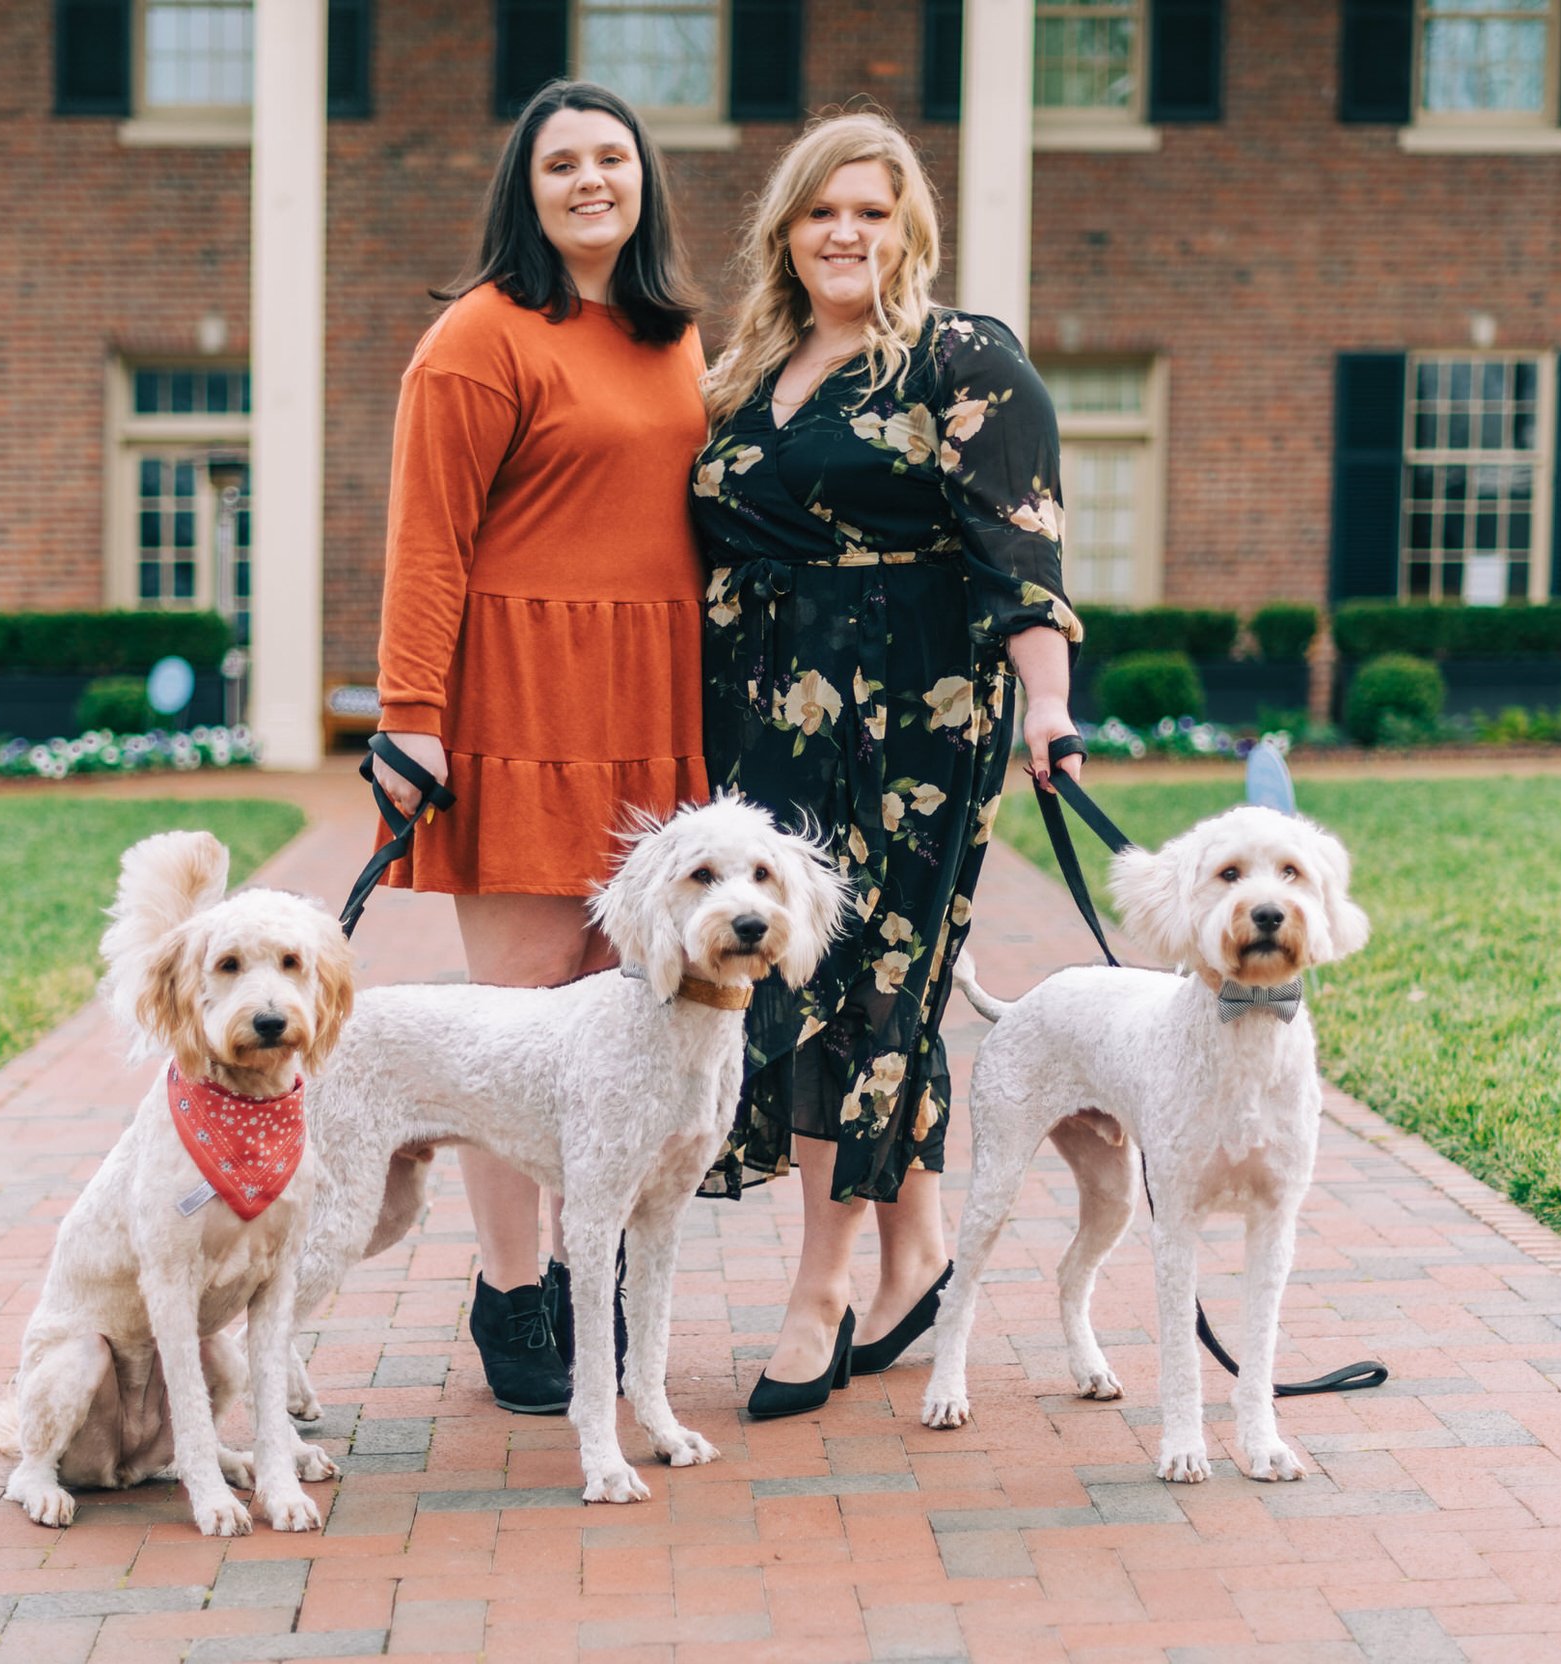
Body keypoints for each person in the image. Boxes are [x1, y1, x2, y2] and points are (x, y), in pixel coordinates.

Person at [691, 112, 1083, 1417]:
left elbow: (1021, 555)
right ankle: (917, 1250)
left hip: (911, 727)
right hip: (763, 728)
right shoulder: (750, 367)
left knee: (872, 991)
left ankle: (824, 1286)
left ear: (907, 225)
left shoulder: (962, 360)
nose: (845, 233)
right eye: (820, 212)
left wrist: (1048, 712)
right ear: (785, 233)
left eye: (871, 210)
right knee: (791, 978)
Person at [371, 80, 708, 1414]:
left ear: (642, 182)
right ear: (528, 187)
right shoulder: (477, 335)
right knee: (511, 1035)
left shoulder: (674, 338)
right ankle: (513, 1290)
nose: (588, 181)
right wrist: (409, 717)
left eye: (610, 160)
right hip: (516, 699)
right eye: (560, 163)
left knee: (627, 1026)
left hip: (650, 706)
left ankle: (596, 1279)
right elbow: (426, 537)